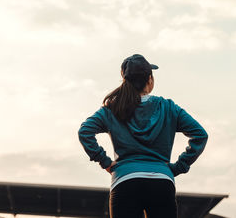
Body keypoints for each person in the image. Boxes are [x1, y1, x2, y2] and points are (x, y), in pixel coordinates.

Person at [78, 54, 208, 218]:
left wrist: (105, 162)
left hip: (125, 182)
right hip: (162, 183)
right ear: (150, 79)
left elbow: (85, 132)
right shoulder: (168, 108)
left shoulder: (112, 108)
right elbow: (200, 135)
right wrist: (179, 166)